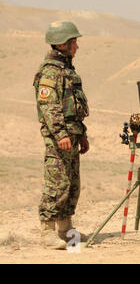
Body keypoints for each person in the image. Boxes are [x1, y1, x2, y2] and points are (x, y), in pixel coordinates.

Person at [33, 21, 90, 249]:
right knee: (56, 185)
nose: (76, 47)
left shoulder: (68, 70)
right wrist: (59, 133)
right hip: (60, 139)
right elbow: (49, 106)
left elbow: (74, 107)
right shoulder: (50, 71)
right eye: (73, 42)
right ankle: (47, 231)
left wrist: (82, 134)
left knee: (72, 184)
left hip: (72, 136)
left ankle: (66, 230)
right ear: (61, 44)